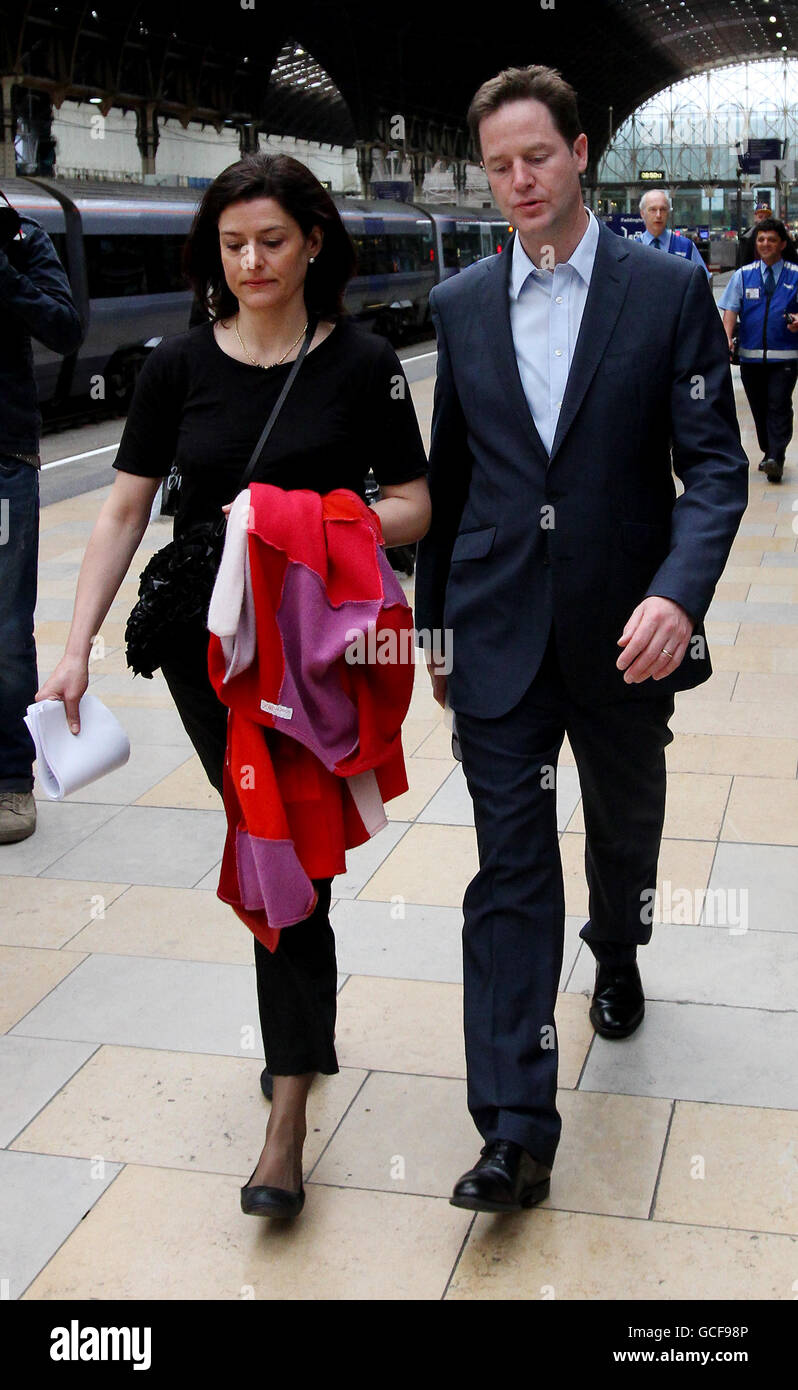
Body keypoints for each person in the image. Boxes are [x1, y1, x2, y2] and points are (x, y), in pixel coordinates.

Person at [37, 152, 430, 1216]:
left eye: (271, 240)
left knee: (287, 849)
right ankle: (295, 1071)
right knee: (280, 846)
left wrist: (303, 520)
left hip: (313, 650)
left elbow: (412, 505)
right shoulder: (174, 366)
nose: (252, 261)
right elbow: (123, 509)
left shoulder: (361, 363)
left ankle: (287, 1107)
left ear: (312, 243)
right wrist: (72, 646)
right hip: (207, 657)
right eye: (232, 244)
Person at [414, 65, 748, 1214]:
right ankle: (514, 1128)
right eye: (500, 165)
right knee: (508, 871)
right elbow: (450, 485)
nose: (518, 182)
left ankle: (616, 944)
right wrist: (434, 634)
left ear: (582, 150)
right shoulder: (460, 306)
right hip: (498, 627)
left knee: (625, 826)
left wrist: (680, 592)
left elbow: (713, 470)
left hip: (626, 632)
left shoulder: (664, 293)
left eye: (536, 158)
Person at [0, 191, 83, 845]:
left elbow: (65, 324)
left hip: (3, 458)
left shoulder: (20, 239)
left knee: (3, 630)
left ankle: (9, 782)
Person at [719, 216, 798, 484]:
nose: (765, 244)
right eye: (761, 239)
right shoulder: (744, 275)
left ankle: (777, 455)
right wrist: (726, 338)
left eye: (772, 240)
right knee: (760, 408)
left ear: (783, 244)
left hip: (785, 356)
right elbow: (730, 309)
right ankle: (769, 451)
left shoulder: (795, 275)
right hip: (750, 356)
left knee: (778, 405)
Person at [634, 188, 710, 277]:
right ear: (642, 213)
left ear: (669, 213)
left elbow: (703, 282)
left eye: (662, 209)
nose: (658, 215)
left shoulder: (686, 247)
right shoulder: (633, 249)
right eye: (653, 210)